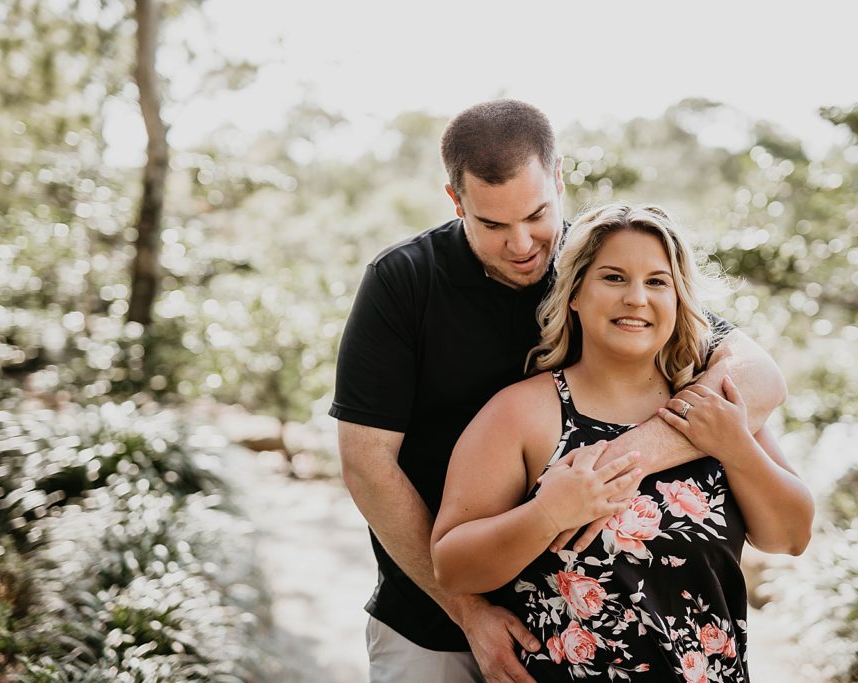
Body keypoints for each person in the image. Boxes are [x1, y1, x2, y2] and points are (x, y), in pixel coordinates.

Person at [331, 100, 788, 683]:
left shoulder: (599, 265)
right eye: (492, 225)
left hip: (572, 633)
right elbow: (367, 464)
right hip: (431, 617)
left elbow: (759, 378)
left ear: (560, 178)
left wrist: (614, 466)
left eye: (537, 215)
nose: (521, 243)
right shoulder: (404, 282)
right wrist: (469, 614)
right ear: (455, 200)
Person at [431, 202, 814, 681]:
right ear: (574, 293)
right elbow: (453, 567)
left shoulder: (715, 403)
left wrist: (736, 446)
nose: (636, 298)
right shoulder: (523, 414)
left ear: (679, 300)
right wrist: (546, 513)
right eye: (613, 277)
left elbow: (790, 537)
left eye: (657, 282)